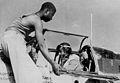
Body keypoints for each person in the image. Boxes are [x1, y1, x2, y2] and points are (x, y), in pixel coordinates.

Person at [1, 2, 61, 83]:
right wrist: (53, 63)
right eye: (52, 15)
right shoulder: (37, 20)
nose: (51, 18)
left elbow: (19, 33)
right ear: (46, 11)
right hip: (13, 40)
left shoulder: (30, 16)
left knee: (28, 74)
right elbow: (41, 45)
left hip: (8, 40)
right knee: (32, 76)